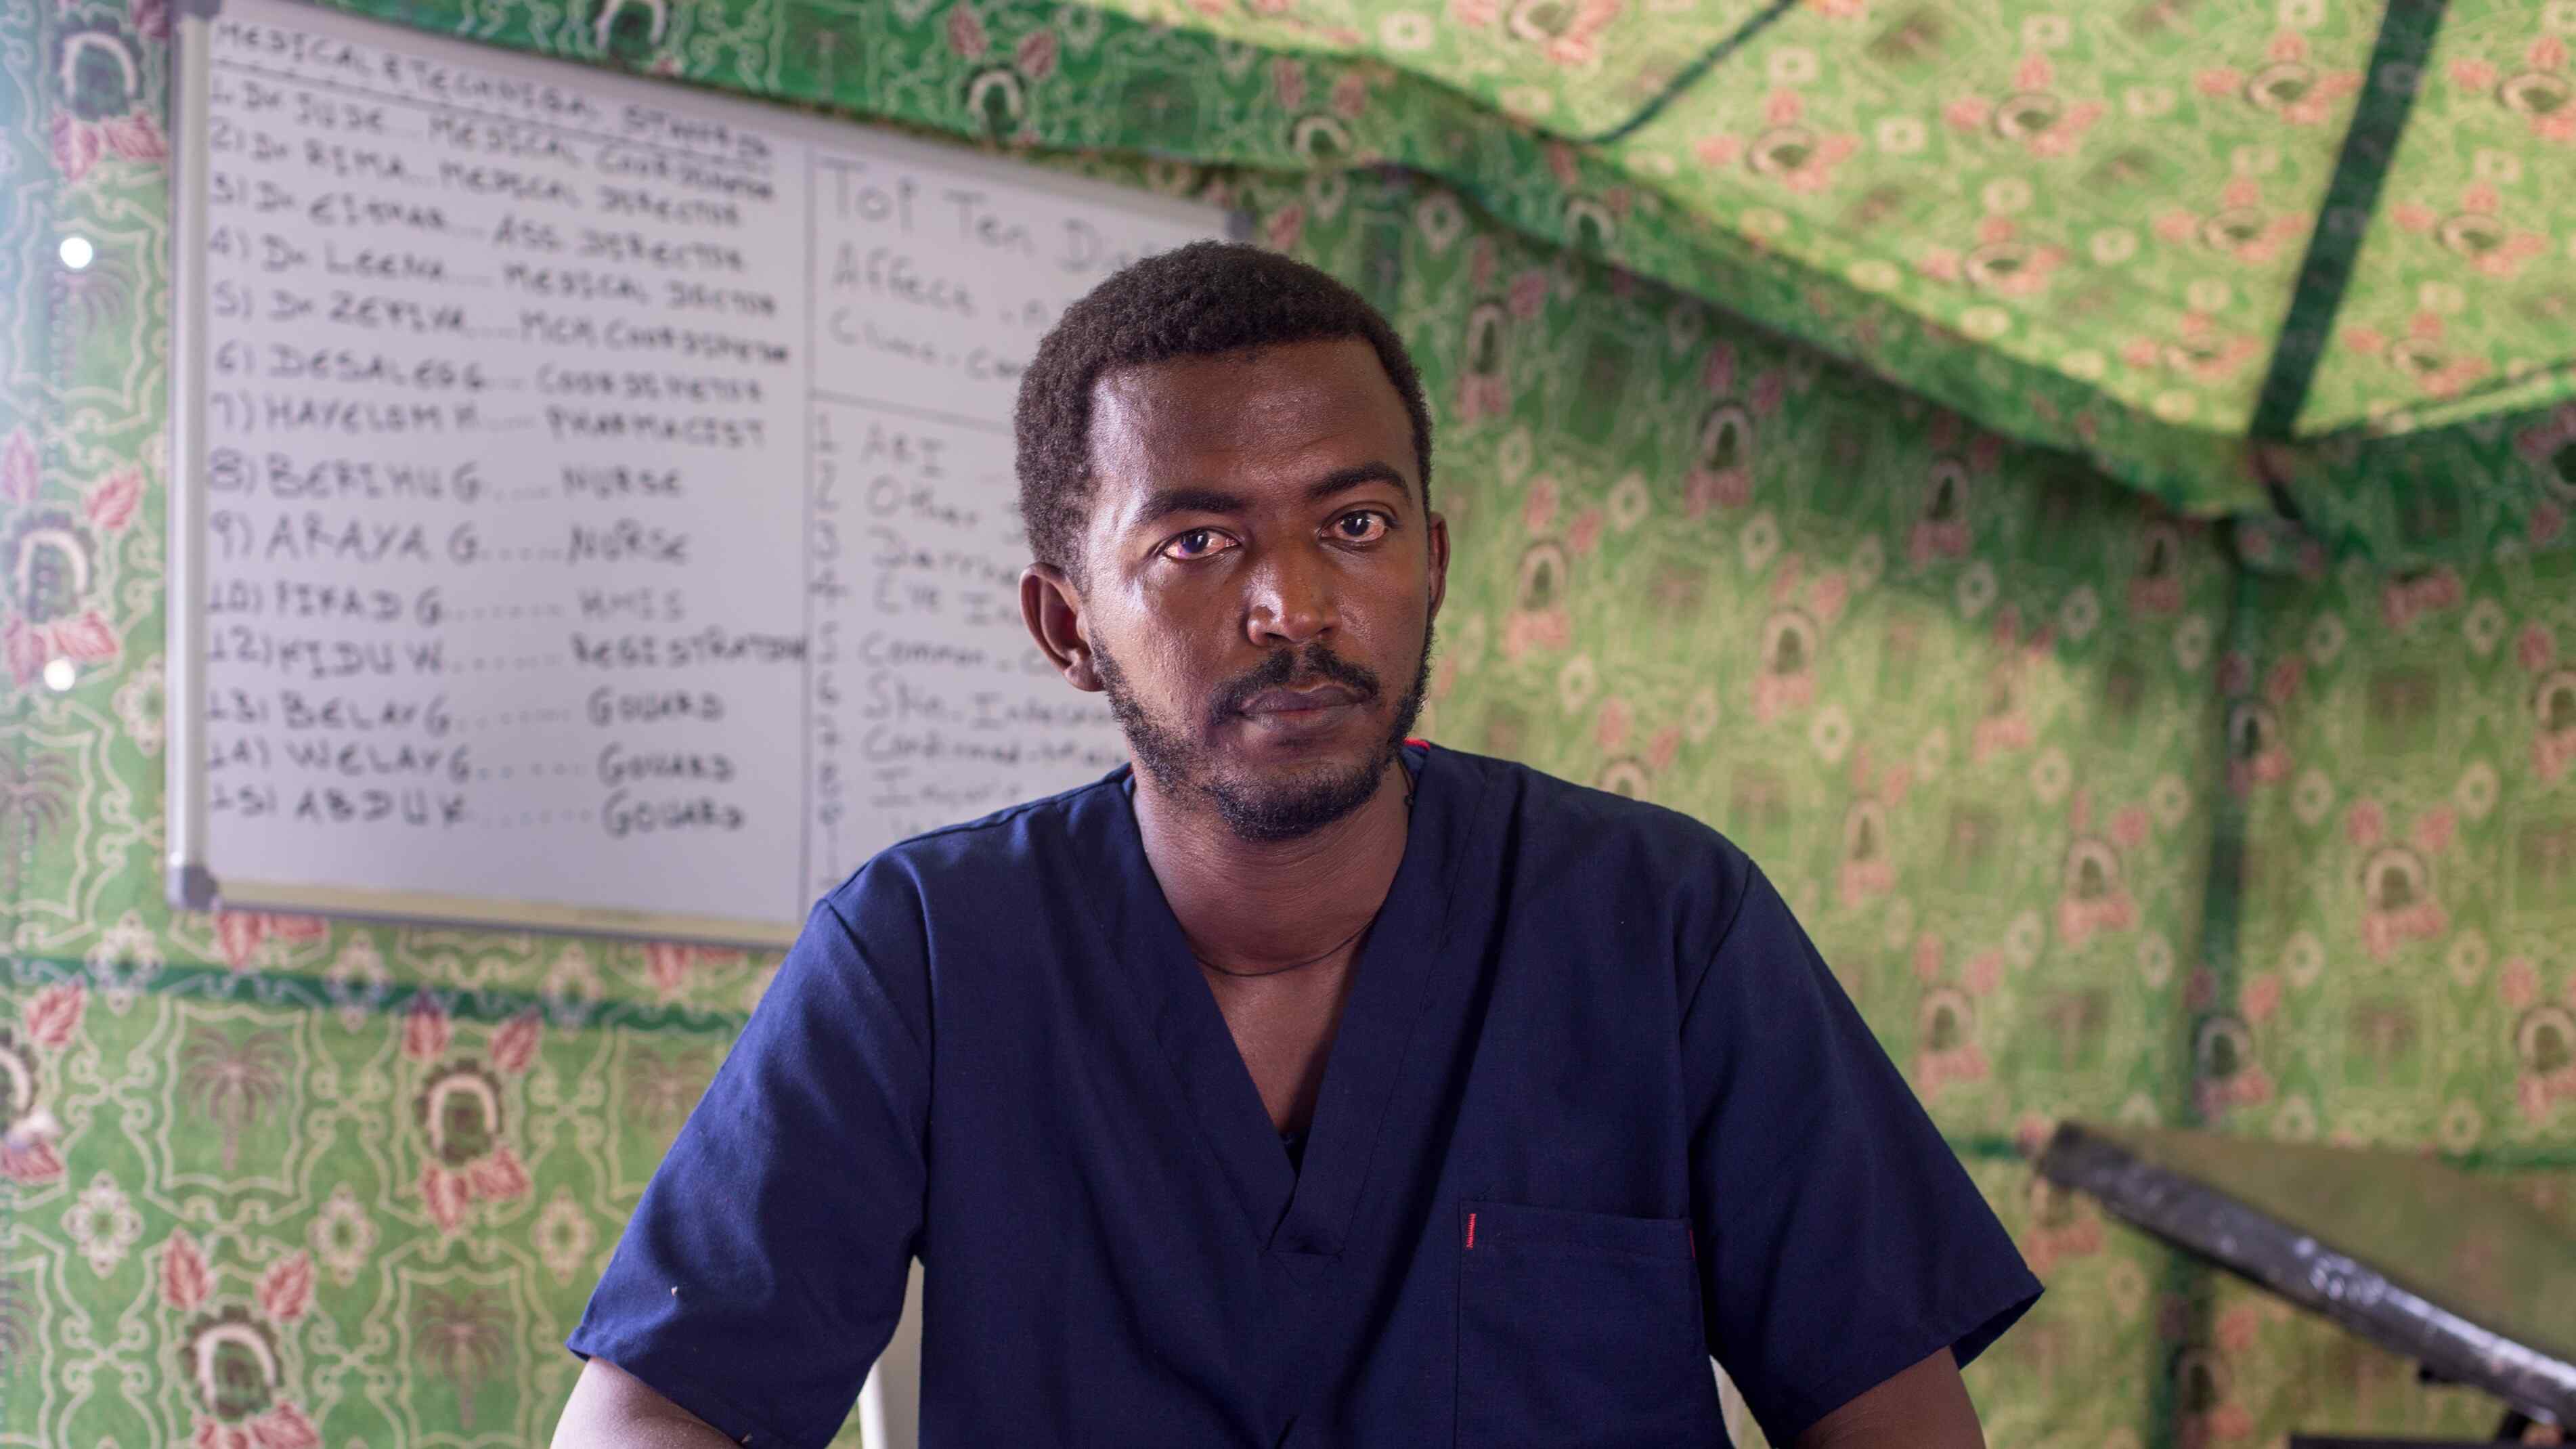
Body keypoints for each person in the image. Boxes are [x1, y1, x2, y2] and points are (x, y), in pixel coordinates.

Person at [554, 242, 2039, 1448]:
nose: (1295, 605)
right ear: (1069, 627)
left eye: (1358, 523)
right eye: (1197, 542)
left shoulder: (1662, 928)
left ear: (1433, 562)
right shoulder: (927, 956)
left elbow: (1895, 1419)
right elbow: (655, 1411)